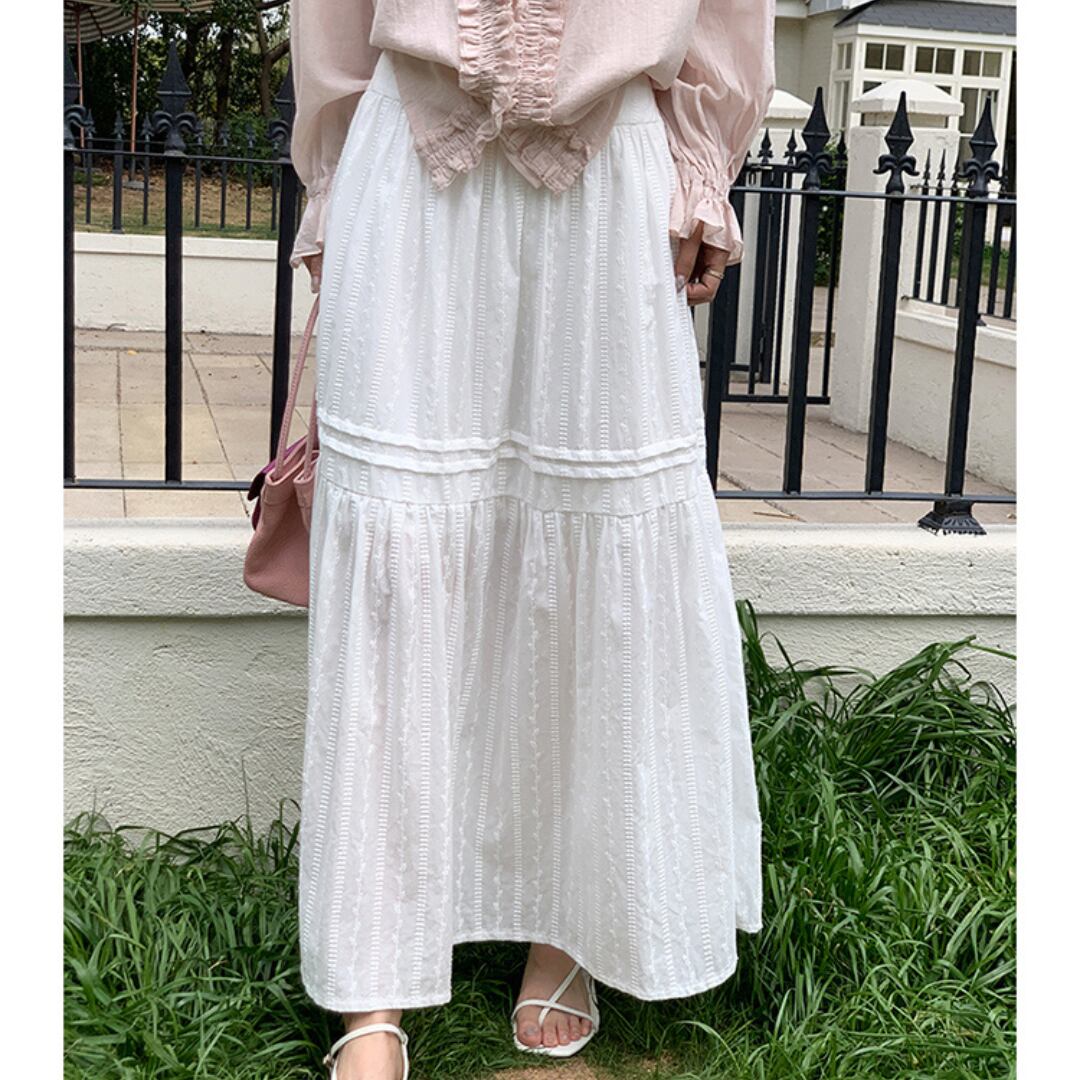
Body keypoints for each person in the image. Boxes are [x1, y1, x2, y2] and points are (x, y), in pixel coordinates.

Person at [287, 3, 775, 1077]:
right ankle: (373, 978)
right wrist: (329, 188)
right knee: (399, 550)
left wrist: (702, 164)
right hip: (407, 156)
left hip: (614, 172)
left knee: (597, 532)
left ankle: (568, 926)